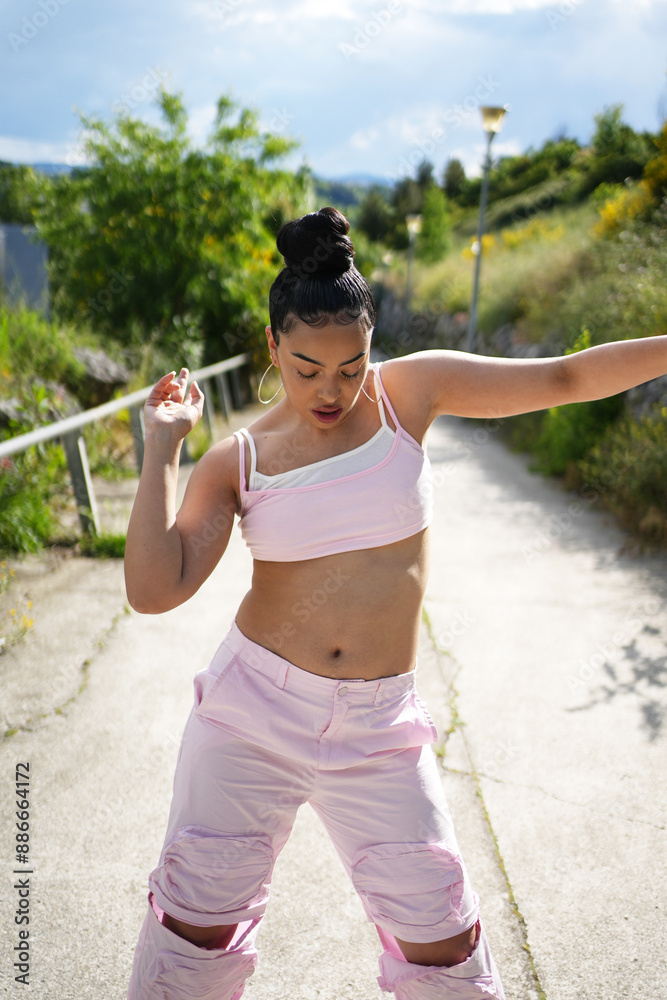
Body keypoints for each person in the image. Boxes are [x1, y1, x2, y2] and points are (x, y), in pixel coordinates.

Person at [124, 206, 667, 1000]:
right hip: (250, 718)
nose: (330, 390)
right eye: (306, 368)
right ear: (272, 345)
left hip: (378, 729)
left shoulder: (408, 395)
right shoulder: (238, 461)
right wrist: (162, 446)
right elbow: (153, 589)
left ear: (372, 345)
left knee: (445, 951)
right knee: (195, 935)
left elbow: (564, 378)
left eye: (350, 367)